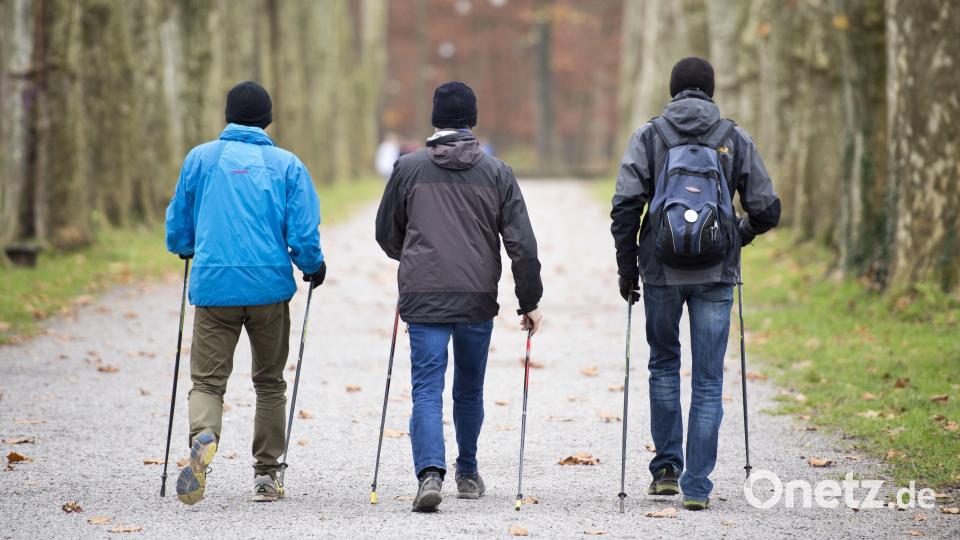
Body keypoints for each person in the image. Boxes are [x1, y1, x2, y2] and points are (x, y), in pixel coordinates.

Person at [610, 57, 780, 511]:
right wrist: (734, 239)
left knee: (663, 366)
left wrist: (628, 269)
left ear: (672, 90)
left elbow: (625, 207)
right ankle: (697, 486)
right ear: (710, 90)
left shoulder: (650, 136)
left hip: (661, 271)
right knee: (707, 380)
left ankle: (665, 469)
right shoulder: (732, 137)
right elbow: (768, 210)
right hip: (715, 275)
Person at [375, 81, 544, 513]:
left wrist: (409, 256)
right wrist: (529, 300)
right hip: (476, 298)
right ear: (472, 121)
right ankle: (467, 472)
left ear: (435, 120)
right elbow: (521, 244)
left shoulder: (408, 168)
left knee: (427, 389)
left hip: (424, 295)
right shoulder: (497, 173)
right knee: (469, 389)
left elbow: (386, 232)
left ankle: (430, 474)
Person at [165, 80, 327, 505]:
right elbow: (304, 230)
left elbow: (179, 222)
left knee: (207, 381)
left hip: (214, 286)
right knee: (270, 382)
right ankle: (267, 475)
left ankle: (204, 435)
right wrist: (312, 266)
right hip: (269, 289)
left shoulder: (200, 159)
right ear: (268, 119)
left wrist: (185, 247)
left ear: (228, 116)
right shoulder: (286, 165)